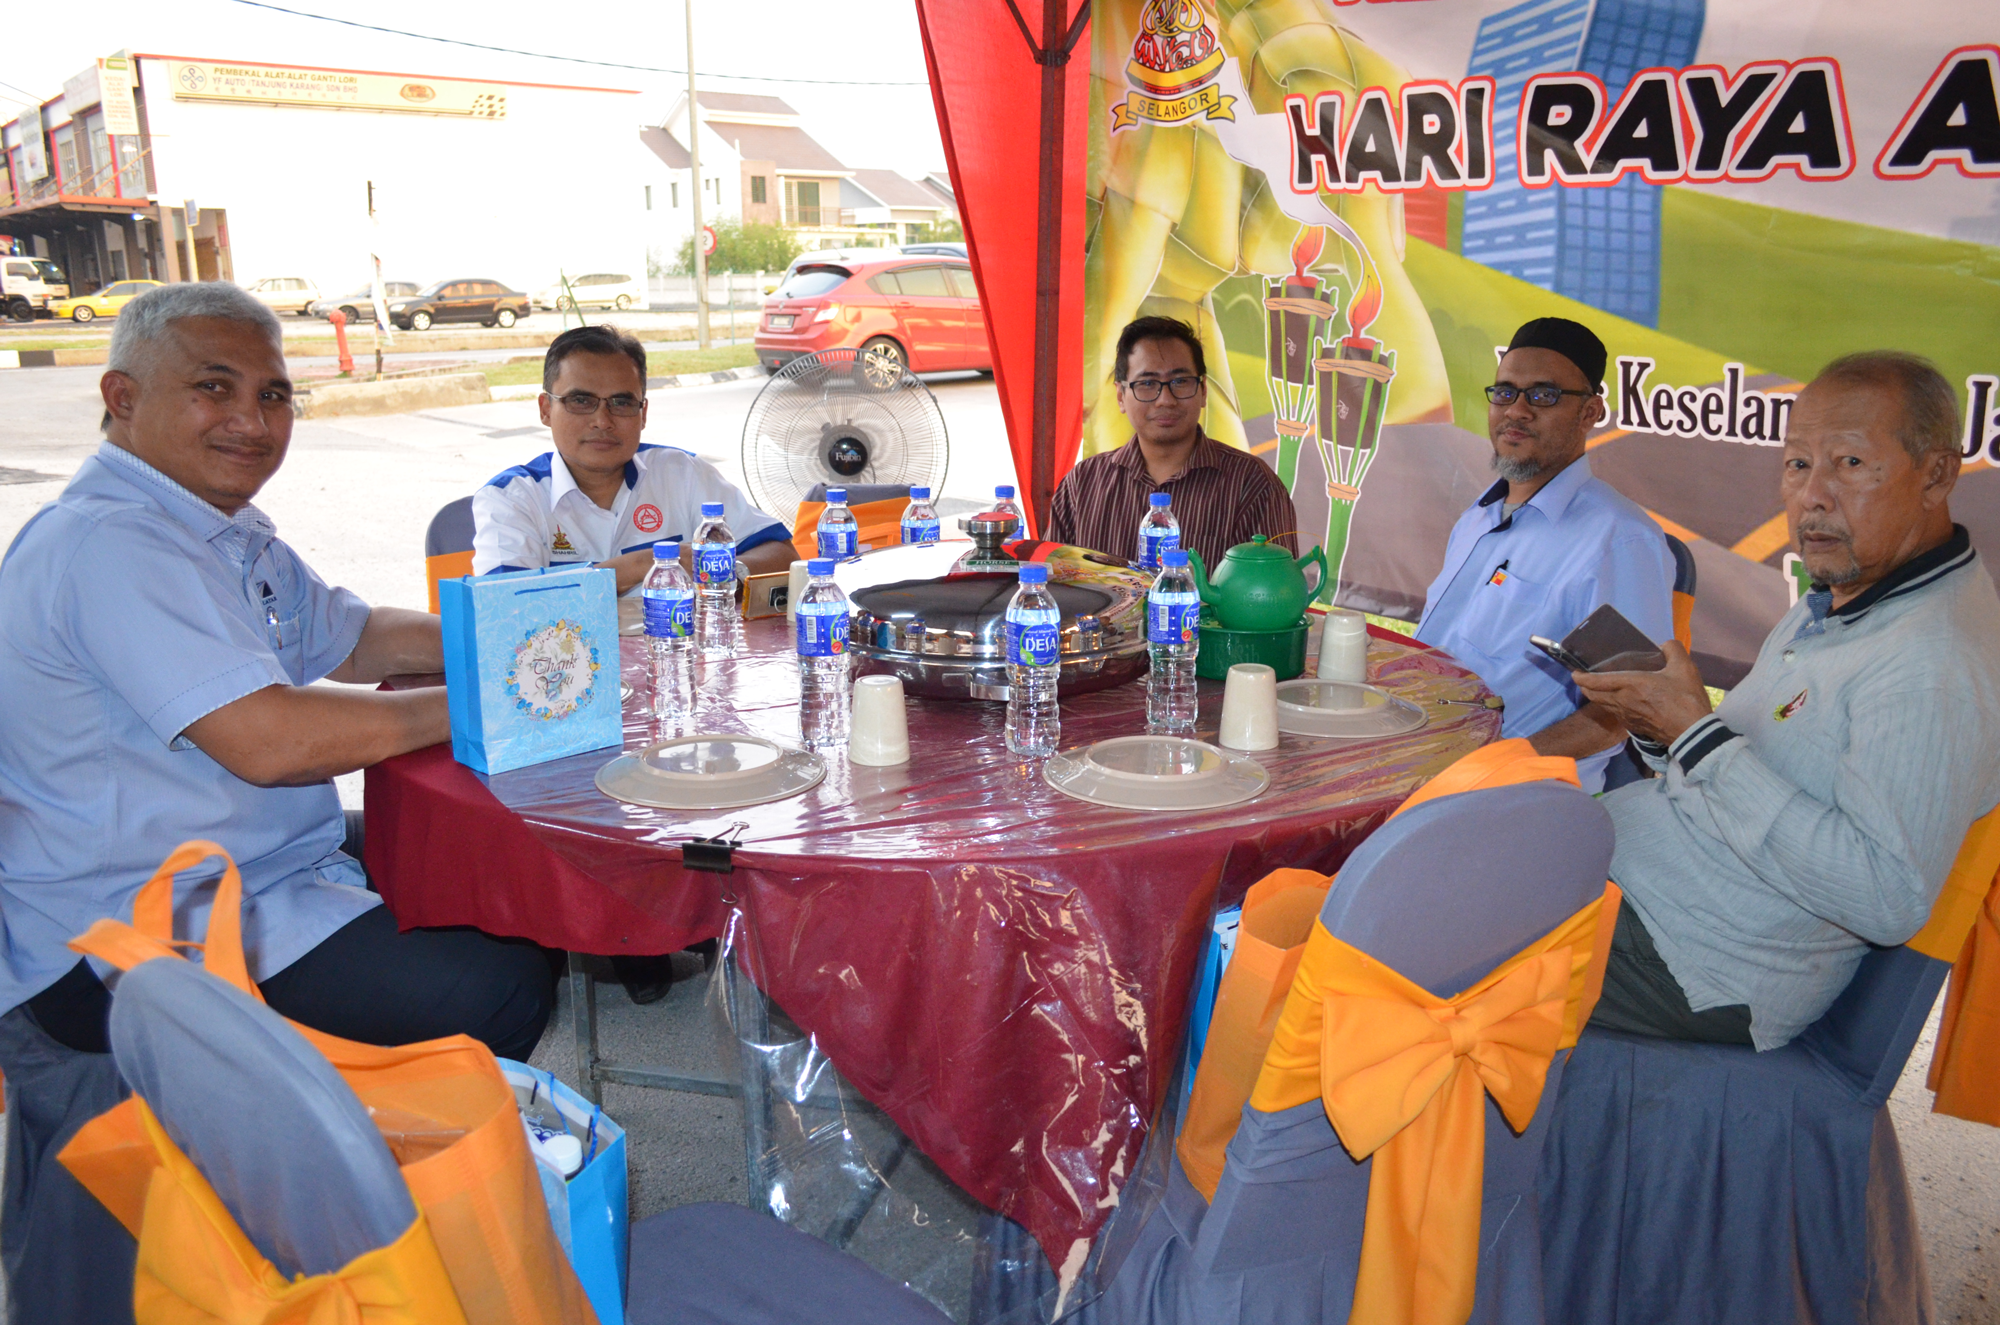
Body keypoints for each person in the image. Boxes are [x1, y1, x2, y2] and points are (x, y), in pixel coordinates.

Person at [0, 282, 559, 1321]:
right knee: (495, 977)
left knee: (497, 867)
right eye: (215, 389)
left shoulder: (218, 526)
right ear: (122, 397)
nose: (252, 421)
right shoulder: (111, 543)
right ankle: (347, 1212)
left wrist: (533, 637)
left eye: (273, 393)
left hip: (244, 861)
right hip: (126, 929)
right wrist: (507, 693)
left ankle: (367, 1160)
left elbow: (354, 634)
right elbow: (273, 740)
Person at [1576, 351, 2000, 1049]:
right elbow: (1737, 775)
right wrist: (1660, 725)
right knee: (1435, 852)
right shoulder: (1843, 596)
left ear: (1937, 475)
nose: (1812, 496)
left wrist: (1698, 738)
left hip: (1690, 965)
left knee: (1416, 926)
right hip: (1635, 889)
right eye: (1798, 464)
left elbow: (1886, 895)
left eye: (1851, 463)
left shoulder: (1933, 661)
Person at [1414, 317, 1675, 793]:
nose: (1517, 410)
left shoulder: (1618, 540)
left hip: (1513, 792)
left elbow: (1630, 709)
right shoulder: (1479, 516)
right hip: (1420, 758)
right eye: (1505, 392)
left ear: (1590, 412)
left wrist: (1499, 762)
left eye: (1543, 395)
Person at [471, 322, 794, 592]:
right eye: (581, 401)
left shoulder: (682, 473)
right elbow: (502, 605)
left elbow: (781, 553)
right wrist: (639, 565)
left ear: (643, 414)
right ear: (545, 409)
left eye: (621, 403)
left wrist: (725, 575)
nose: (602, 420)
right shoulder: (510, 498)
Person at [1047, 315, 1298, 569]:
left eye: (1180, 382)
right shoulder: (1082, 484)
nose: (1165, 400)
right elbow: (1050, 580)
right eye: (1147, 383)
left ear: (1203, 390)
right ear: (1121, 396)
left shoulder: (1253, 485)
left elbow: (1279, 588)